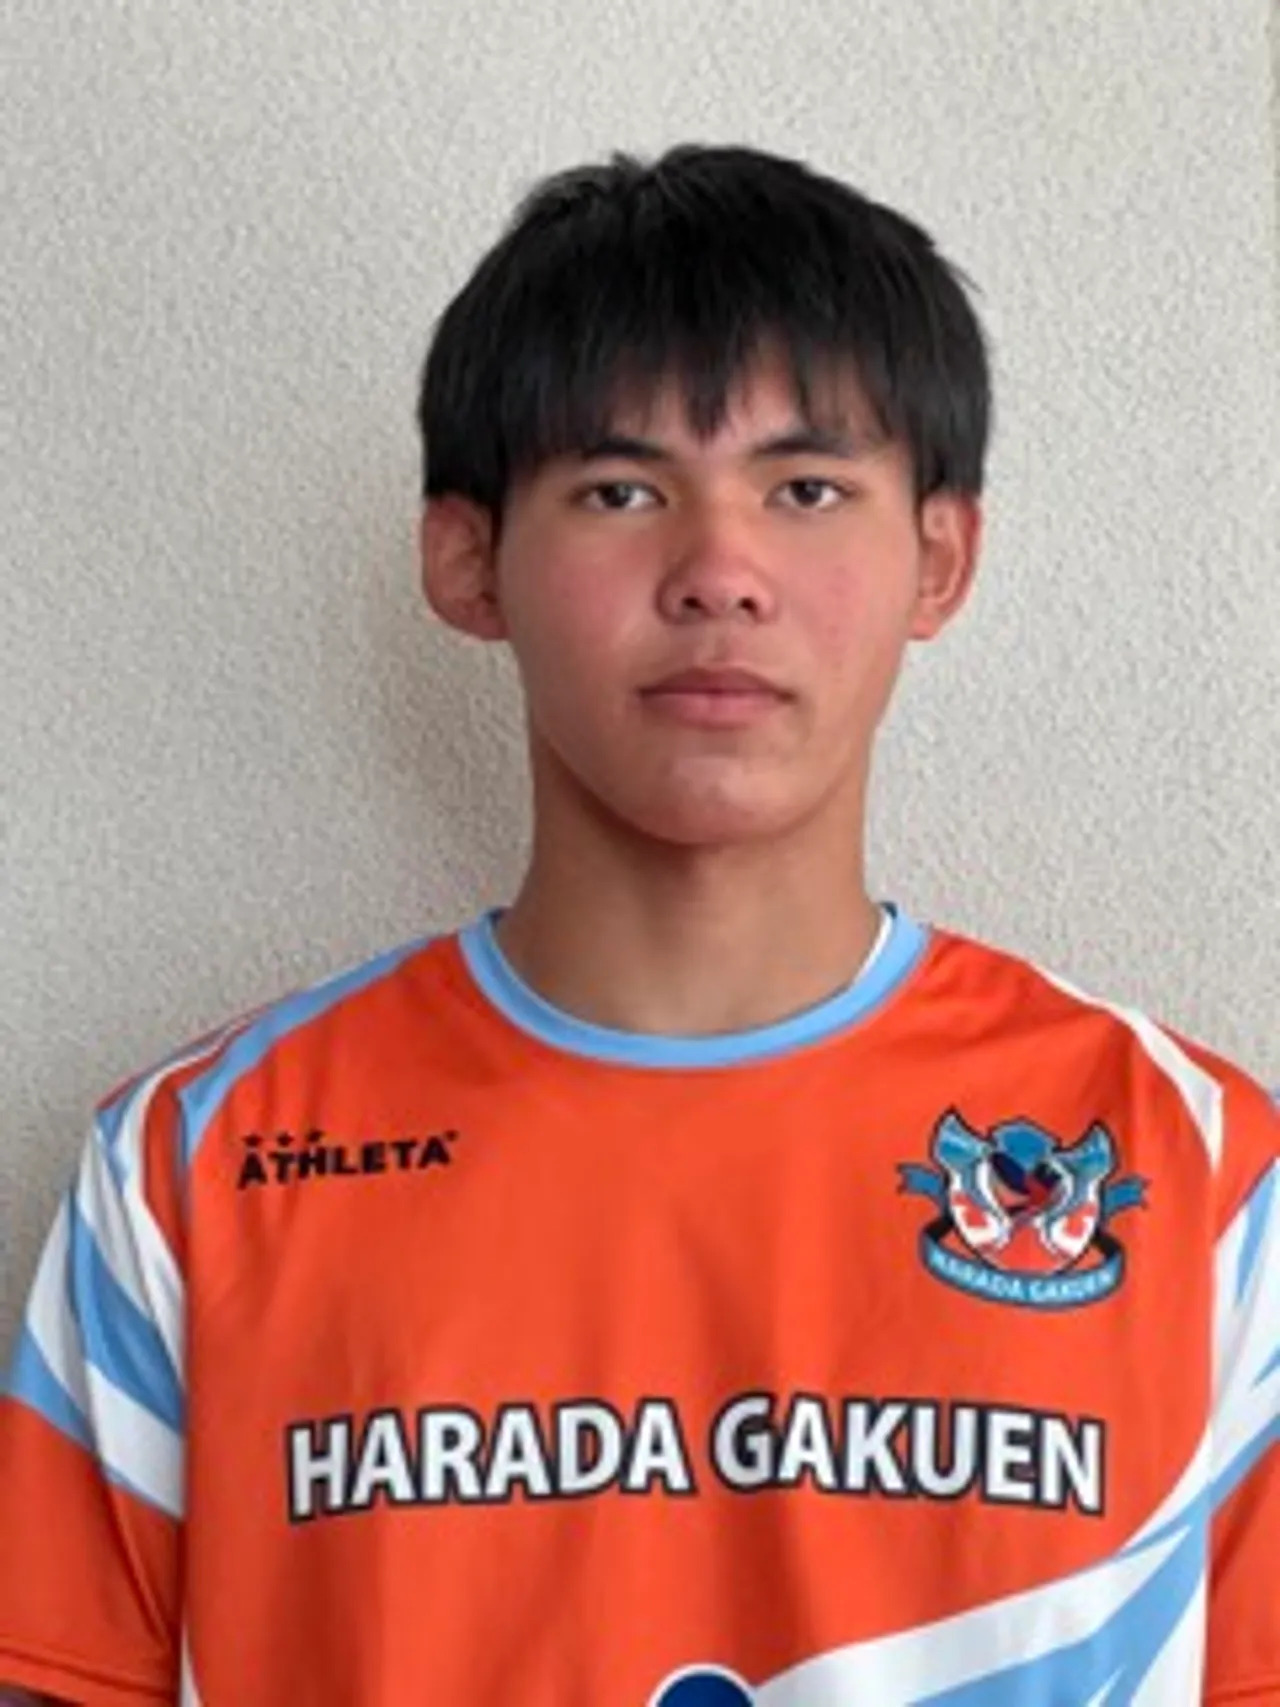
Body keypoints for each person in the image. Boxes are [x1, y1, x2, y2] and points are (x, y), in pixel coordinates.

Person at [1, 142, 1276, 1707]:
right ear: (468, 559)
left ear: (940, 558)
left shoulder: (1200, 1175)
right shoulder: (191, 1169)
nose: (719, 572)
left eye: (806, 490)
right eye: (621, 491)